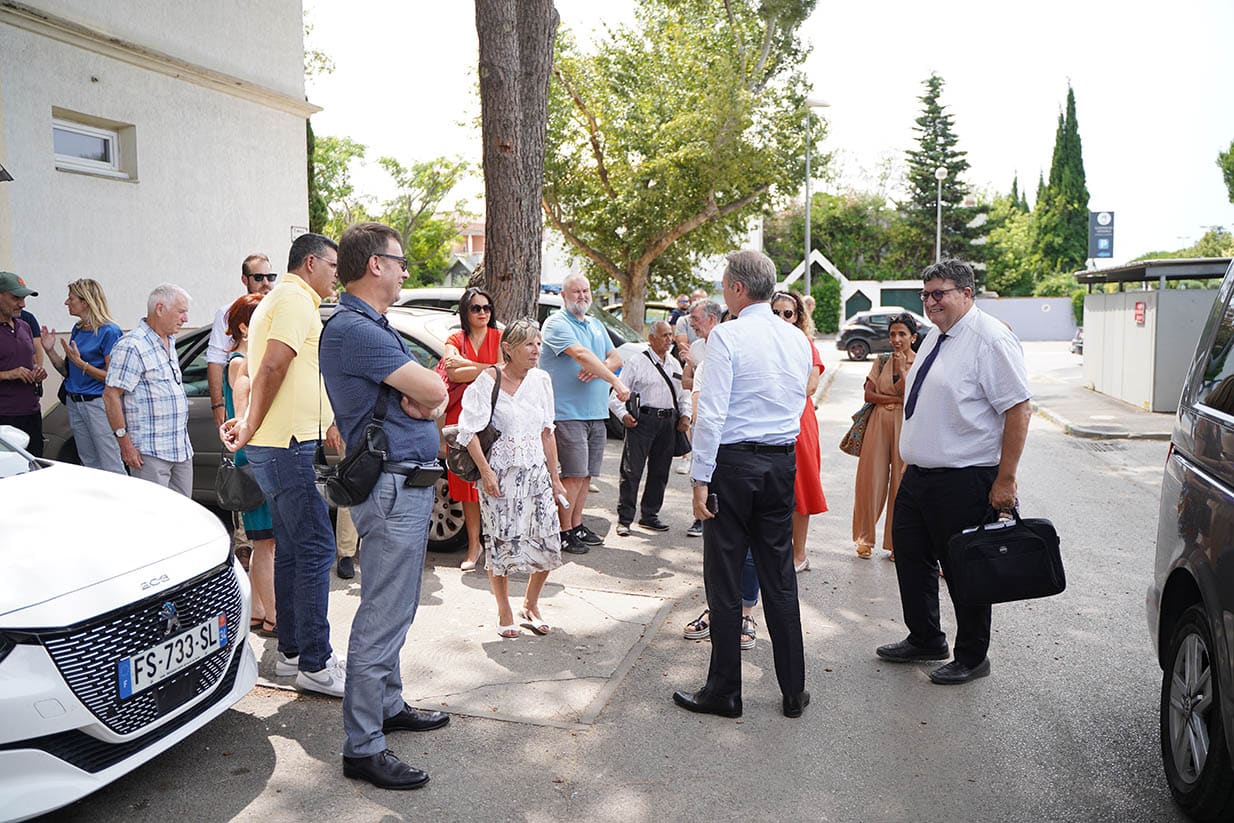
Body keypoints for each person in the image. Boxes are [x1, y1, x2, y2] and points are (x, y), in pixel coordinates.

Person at [319, 221, 450, 791]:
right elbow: (436, 391)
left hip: (404, 483)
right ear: (374, 264)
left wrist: (425, 396)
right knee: (383, 613)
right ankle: (363, 745)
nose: (403, 271)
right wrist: (425, 396)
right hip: (393, 487)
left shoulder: (371, 326)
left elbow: (429, 394)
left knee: (396, 606)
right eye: (398, 261)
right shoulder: (356, 329)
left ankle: (388, 706)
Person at [875, 259, 1031, 686]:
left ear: (966, 293)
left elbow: (1018, 409)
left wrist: (1006, 479)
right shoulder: (936, 338)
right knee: (911, 556)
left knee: (965, 570)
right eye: (925, 295)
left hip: (965, 477)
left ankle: (973, 655)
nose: (929, 302)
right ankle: (925, 638)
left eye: (938, 293)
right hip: (920, 475)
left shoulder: (990, 339)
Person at [673, 250, 812, 720]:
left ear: (736, 288)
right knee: (779, 577)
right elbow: (796, 401)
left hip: (734, 465)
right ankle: (793, 688)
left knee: (726, 578)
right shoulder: (794, 338)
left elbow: (711, 413)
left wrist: (700, 477)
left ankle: (725, 690)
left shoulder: (727, 337)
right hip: (780, 461)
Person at [220, 232, 346, 698]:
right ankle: (315, 661)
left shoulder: (288, 299)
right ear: (311, 263)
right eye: (333, 265)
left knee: (294, 549)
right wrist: (250, 426)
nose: (337, 273)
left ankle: (294, 652)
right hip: (286, 445)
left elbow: (287, 373)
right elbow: (271, 367)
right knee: (316, 548)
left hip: (282, 444)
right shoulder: (294, 299)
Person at [458, 318, 567, 638]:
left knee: (548, 541)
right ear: (509, 348)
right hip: (500, 476)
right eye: (529, 344)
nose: (537, 350)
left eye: (539, 343)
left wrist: (556, 478)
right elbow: (469, 432)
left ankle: (530, 604)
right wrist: (487, 473)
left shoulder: (542, 380)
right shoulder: (487, 380)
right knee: (502, 545)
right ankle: (504, 608)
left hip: (536, 474)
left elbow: (548, 432)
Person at [540, 273, 630, 554]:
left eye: (586, 290)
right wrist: (613, 379)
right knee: (573, 475)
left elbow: (616, 357)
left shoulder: (596, 324)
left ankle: (576, 524)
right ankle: (562, 530)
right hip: (568, 414)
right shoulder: (556, 323)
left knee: (587, 475)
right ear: (564, 297)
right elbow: (579, 354)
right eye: (575, 291)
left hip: (595, 412)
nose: (582, 296)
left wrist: (600, 367)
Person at [221, 293, 277, 636]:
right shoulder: (241, 362)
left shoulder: (244, 358)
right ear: (245, 326)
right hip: (252, 458)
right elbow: (241, 410)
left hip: (250, 457)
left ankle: (258, 611)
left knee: (262, 542)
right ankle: (273, 615)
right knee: (267, 543)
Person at [103, 284, 193, 493]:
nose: (186, 318)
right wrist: (125, 443)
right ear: (160, 309)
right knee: (156, 517)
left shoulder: (169, 340)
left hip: (180, 448)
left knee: (184, 515)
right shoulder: (132, 345)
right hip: (150, 451)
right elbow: (111, 395)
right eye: (181, 312)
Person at [609, 320, 691, 536]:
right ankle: (625, 519)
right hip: (643, 421)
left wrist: (685, 416)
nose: (669, 339)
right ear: (651, 338)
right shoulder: (637, 362)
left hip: (668, 422)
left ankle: (650, 515)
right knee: (631, 471)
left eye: (670, 335)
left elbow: (683, 395)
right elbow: (616, 395)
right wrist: (624, 415)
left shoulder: (674, 364)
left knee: (660, 471)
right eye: (664, 335)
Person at [442, 286, 501, 570]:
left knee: (494, 480)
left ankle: (496, 543)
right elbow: (452, 371)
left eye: (487, 308)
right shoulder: (455, 338)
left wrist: (470, 366)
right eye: (476, 308)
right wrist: (490, 366)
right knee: (466, 484)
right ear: (466, 311)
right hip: (460, 416)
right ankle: (474, 545)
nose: (482, 313)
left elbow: (505, 368)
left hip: (494, 415)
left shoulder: (499, 336)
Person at [852, 312, 918, 560]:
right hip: (879, 422)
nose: (896, 339)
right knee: (871, 480)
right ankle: (864, 538)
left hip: (906, 425)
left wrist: (902, 370)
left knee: (902, 485)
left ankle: (895, 543)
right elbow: (869, 395)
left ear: (913, 336)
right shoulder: (880, 360)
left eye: (902, 334)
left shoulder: (920, 362)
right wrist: (893, 399)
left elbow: (911, 396)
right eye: (893, 334)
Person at [40, 279, 124, 473]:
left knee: (111, 462)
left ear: (85, 302)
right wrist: (50, 351)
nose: (66, 303)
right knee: (88, 463)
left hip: (98, 404)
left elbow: (113, 378)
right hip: (75, 403)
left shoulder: (109, 331)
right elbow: (68, 372)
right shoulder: (78, 329)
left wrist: (82, 364)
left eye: (71, 298)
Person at [770, 291, 827, 573]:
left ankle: (799, 554)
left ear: (798, 317)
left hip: (798, 420)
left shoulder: (805, 343)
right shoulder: (763, 343)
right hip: (767, 419)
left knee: (800, 485)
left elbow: (811, 384)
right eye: (775, 312)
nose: (781, 318)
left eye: (788, 313)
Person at [683, 299, 723, 537]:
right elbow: (687, 381)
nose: (691, 324)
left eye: (695, 319)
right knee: (701, 471)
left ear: (711, 319)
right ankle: (700, 517)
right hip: (705, 418)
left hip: (725, 425)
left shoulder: (729, 346)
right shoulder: (698, 350)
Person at [0, 272, 47, 454]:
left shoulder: (24, 326)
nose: (22, 304)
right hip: (4, 418)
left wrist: (37, 372)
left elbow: (29, 362)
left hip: (31, 413)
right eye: (16, 298)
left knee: (35, 470)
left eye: (24, 298)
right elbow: (12, 369)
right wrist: (9, 374)